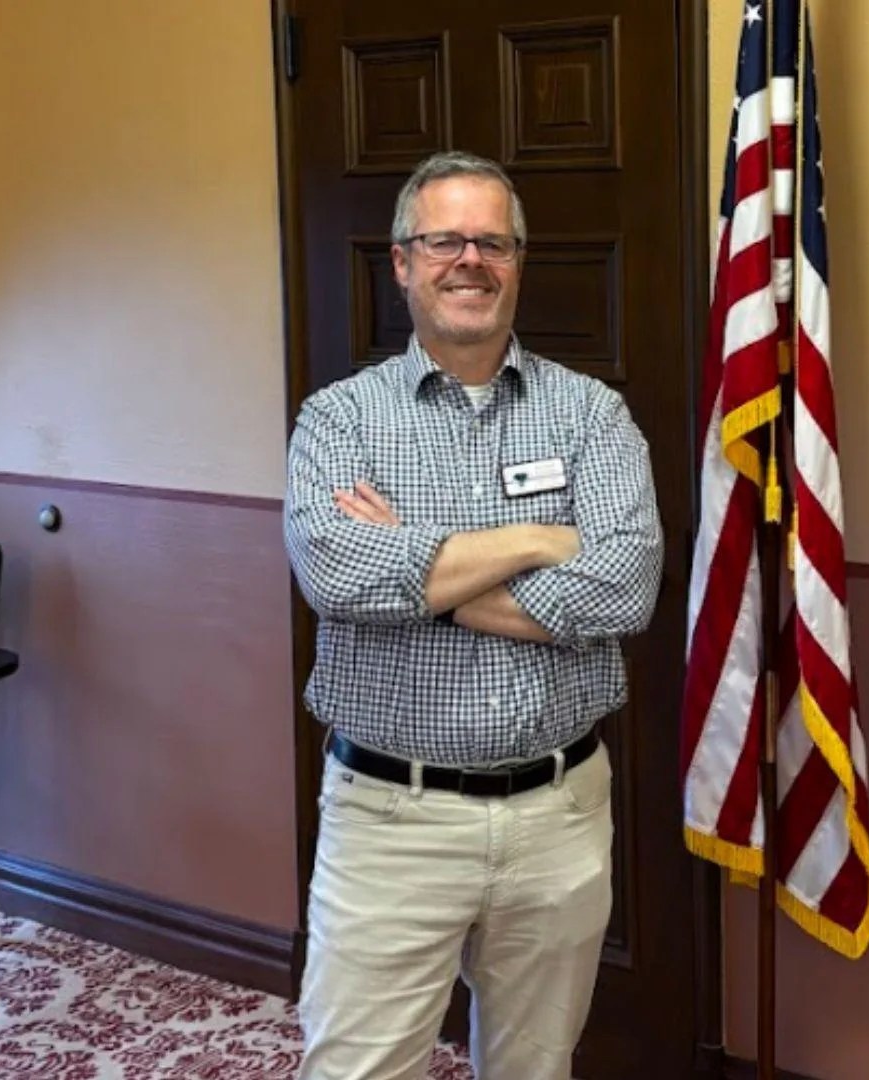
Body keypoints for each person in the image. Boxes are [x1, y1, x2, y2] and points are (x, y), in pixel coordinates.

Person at [282, 150, 663, 1080]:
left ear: (518, 262)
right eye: (445, 240)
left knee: (536, 1069)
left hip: (559, 814)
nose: (471, 260)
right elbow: (337, 576)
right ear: (404, 263)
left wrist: (417, 567)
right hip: (390, 817)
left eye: (493, 242)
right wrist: (540, 536)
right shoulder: (339, 421)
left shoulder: (592, 417)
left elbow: (624, 590)